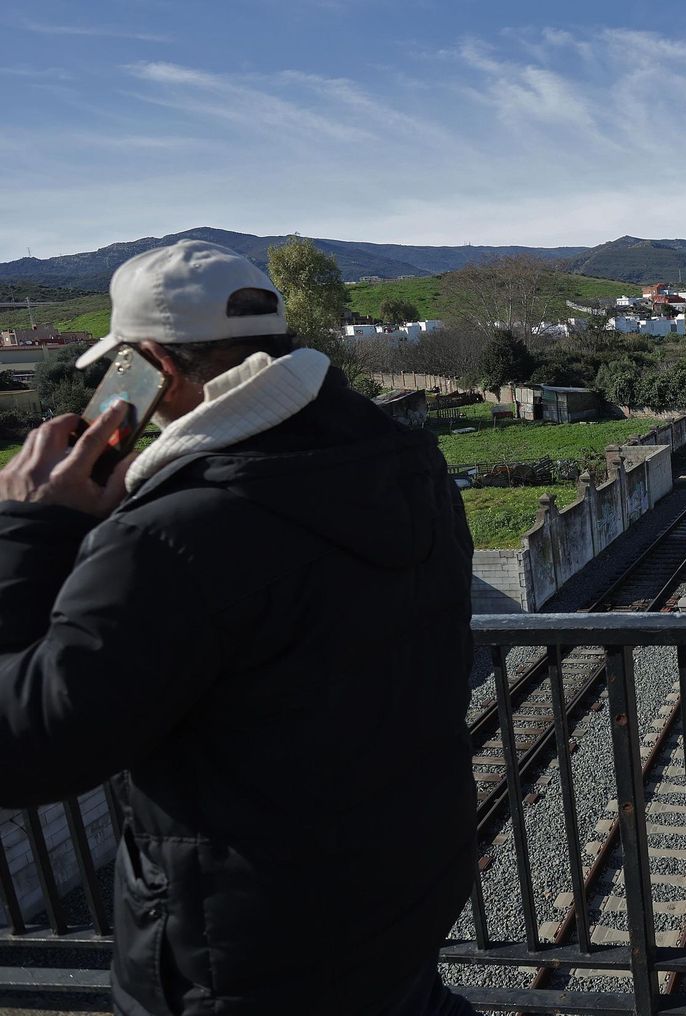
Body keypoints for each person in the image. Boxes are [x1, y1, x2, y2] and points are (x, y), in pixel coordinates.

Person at [0, 240, 477, 1015]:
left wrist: (29, 531)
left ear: (153, 363)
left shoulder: (168, 537)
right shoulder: (400, 463)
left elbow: (28, 749)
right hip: (403, 900)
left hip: (247, 956)